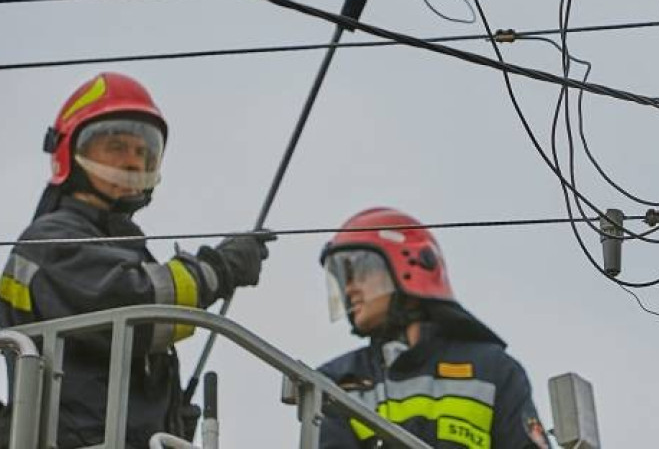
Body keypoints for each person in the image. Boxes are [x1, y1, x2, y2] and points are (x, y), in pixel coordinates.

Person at [0, 72, 272, 449]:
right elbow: (136, 306)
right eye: (115, 147)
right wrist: (219, 269)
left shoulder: (116, 245)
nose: (131, 162)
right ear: (70, 152)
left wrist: (171, 418)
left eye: (143, 152)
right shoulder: (51, 239)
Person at [317, 207, 551, 449]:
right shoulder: (338, 381)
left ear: (411, 265)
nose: (349, 289)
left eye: (359, 272)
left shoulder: (493, 370)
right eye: (344, 278)